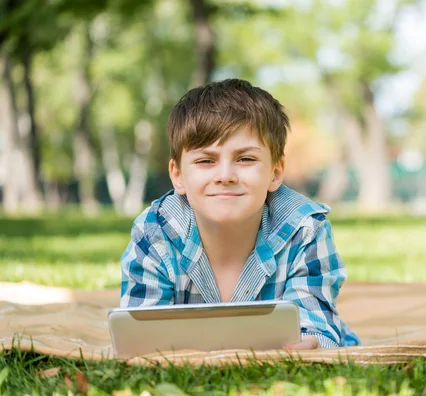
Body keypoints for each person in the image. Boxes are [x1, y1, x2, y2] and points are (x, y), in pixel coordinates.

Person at [120, 78, 359, 349]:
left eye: (245, 159)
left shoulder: (304, 229)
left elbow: (316, 330)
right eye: (205, 161)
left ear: (275, 172)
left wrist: (312, 343)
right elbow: (138, 340)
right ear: (178, 176)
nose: (225, 176)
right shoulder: (155, 232)